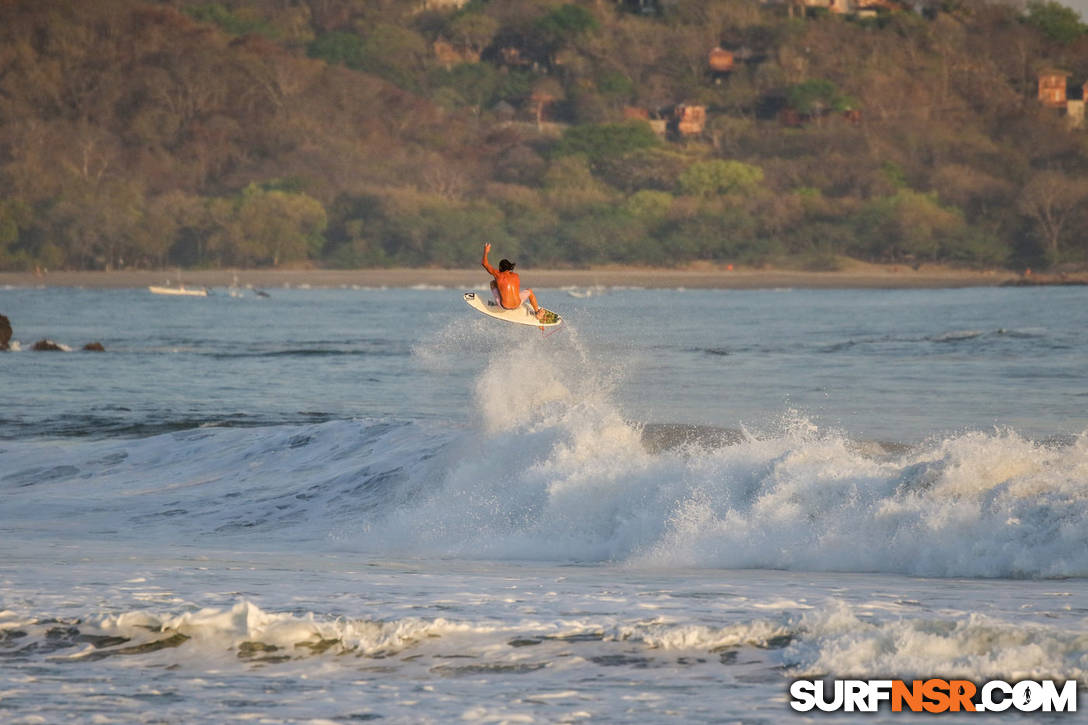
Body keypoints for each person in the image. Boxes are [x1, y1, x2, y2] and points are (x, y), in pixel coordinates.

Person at [481, 243, 546, 321]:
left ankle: (496, 304)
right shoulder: (516, 275)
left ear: (500, 268)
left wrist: (486, 251)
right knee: (530, 291)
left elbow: (484, 263)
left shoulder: (498, 275)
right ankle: (537, 312)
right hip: (517, 305)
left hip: (504, 306)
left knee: (493, 283)